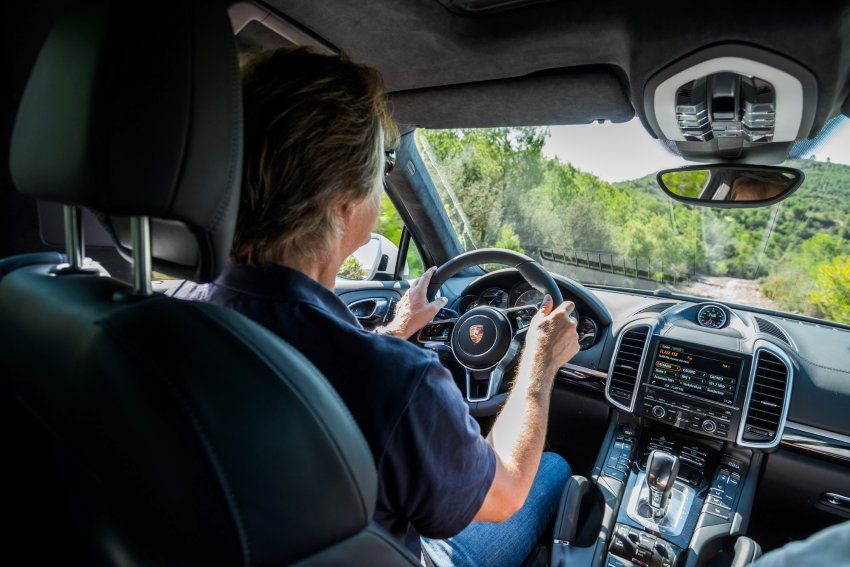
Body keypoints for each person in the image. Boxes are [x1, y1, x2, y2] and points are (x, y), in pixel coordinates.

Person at [177, 46, 579, 565]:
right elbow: (504, 494)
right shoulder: (396, 384)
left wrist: (394, 330)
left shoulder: (167, 312)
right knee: (552, 469)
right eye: (382, 167)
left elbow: (303, 362)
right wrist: (539, 363)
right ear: (345, 201)